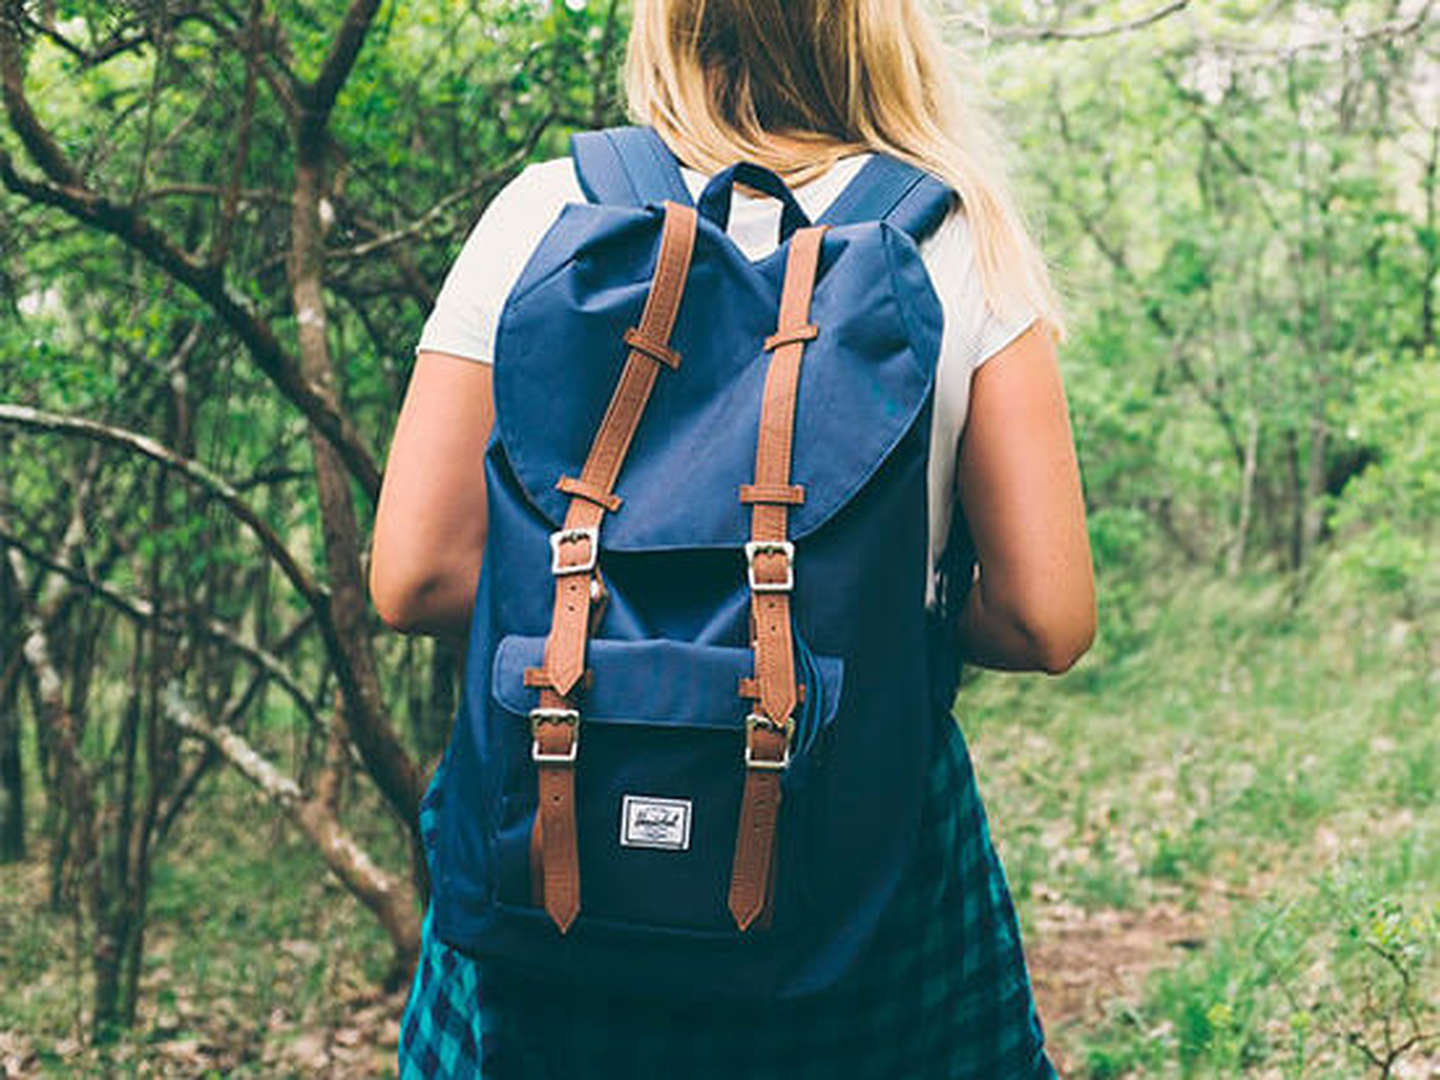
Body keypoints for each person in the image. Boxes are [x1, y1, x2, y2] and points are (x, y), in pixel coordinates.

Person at [370, 0, 1095, 1075]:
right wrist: (895, 620)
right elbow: (1047, 618)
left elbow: (416, 576)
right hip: (853, 855)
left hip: (561, 841)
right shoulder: (956, 239)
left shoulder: (542, 214)